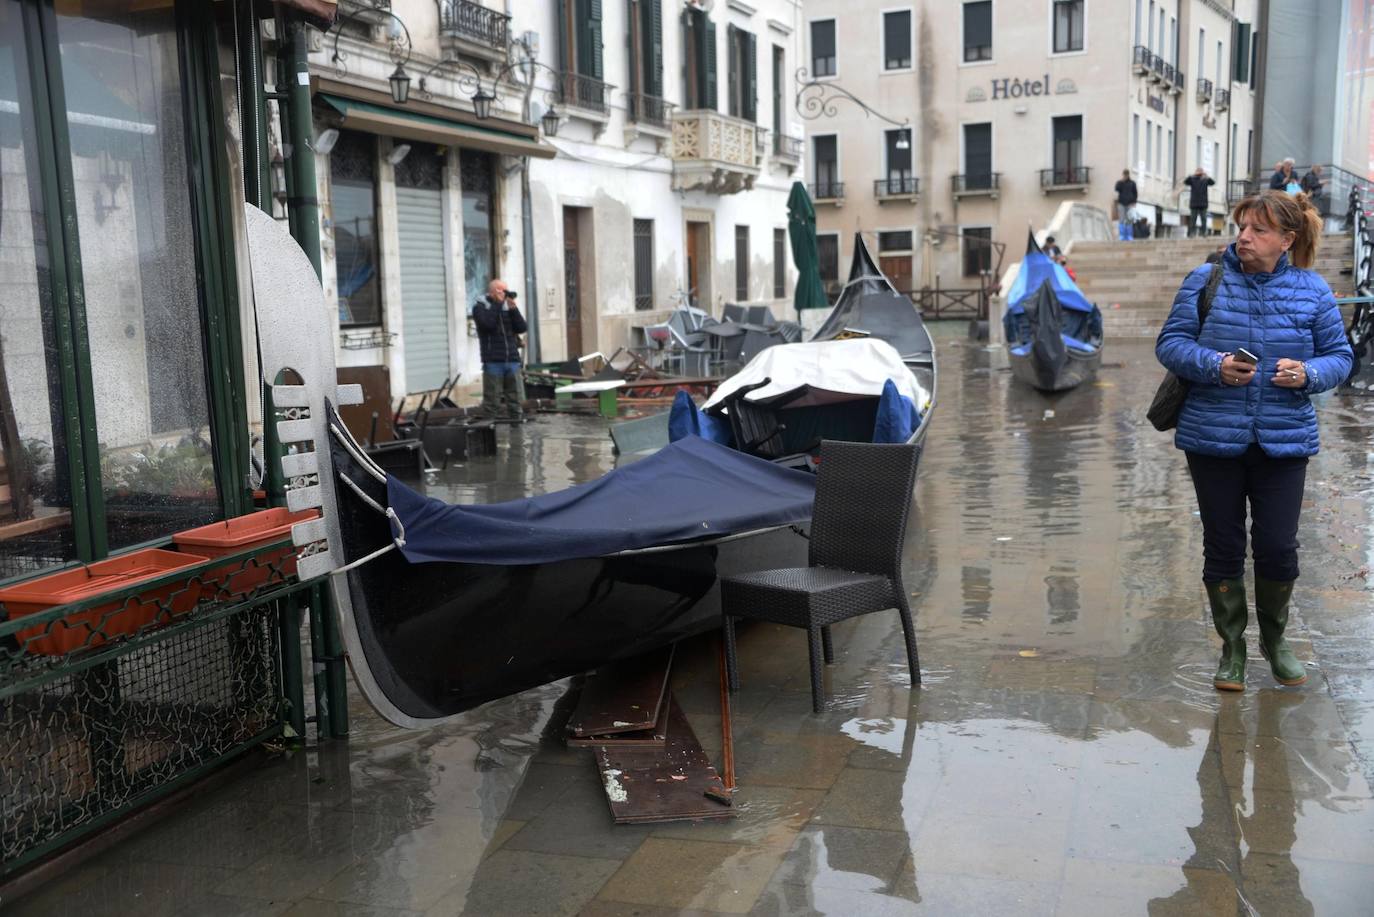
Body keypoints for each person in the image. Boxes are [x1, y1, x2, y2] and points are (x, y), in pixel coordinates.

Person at [1155, 190, 1353, 692]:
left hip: (1283, 442)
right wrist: (1215, 366)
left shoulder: (1312, 290)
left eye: (1258, 230)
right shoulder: (1206, 280)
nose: (1244, 236)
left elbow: (1340, 357)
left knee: (1278, 548)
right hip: (1212, 438)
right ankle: (1233, 648)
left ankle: (1275, 640)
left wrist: (1307, 373)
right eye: (1243, 226)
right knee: (1222, 546)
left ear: (1286, 240)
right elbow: (1171, 345)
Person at [471, 278, 528, 420]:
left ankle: (517, 436)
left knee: (516, 402)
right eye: (499, 290)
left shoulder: (507, 307)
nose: (503, 293)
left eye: (505, 289)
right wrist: (497, 304)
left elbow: (522, 328)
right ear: (491, 292)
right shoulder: (480, 307)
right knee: (492, 403)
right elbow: (487, 325)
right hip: (493, 361)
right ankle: (490, 436)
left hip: (512, 361)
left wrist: (513, 309)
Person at [1182, 167, 1215, 237]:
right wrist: (1193, 175)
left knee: (1204, 219)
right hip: (1194, 203)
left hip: (1203, 203)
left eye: (1201, 171)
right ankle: (1191, 233)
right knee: (1193, 219)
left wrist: (1206, 176)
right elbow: (1185, 182)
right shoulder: (1192, 179)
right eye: (1198, 171)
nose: (1199, 173)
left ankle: (1204, 233)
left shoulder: (1205, 179)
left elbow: (1212, 183)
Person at [1114, 169, 1138, 241]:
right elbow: (1116, 189)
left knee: (1129, 220)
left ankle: (1129, 236)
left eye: (1126, 174)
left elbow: (1135, 193)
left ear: (1128, 175)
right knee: (1121, 219)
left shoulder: (1132, 183)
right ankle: (1122, 236)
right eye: (1124, 174)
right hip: (1121, 203)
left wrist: (1134, 202)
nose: (1125, 176)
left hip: (1130, 203)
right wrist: (1121, 182)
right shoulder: (1120, 182)